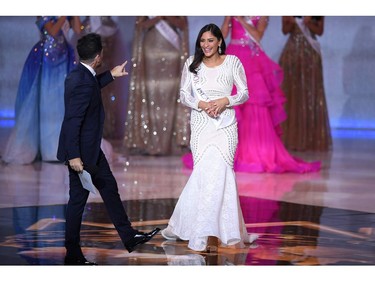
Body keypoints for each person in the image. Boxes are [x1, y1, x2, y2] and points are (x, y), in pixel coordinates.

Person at [57, 33, 160, 265]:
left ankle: (129, 236)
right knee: (77, 201)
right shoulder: (83, 82)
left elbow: (92, 85)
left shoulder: (81, 75)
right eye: (102, 54)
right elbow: (73, 120)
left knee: (109, 189)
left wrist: (110, 75)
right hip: (82, 155)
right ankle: (72, 253)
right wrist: (74, 156)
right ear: (97, 58)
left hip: (90, 150)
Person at [161, 23, 258, 252]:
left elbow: (244, 92)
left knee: (223, 172)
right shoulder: (192, 65)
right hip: (202, 124)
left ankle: (225, 231)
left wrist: (225, 101)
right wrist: (203, 104)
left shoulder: (232, 62)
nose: (206, 45)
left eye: (210, 41)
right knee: (203, 173)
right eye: (203, 41)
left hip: (225, 125)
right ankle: (196, 228)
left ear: (219, 42)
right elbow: (184, 95)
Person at [218, 16, 321, 173]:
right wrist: (227, 19)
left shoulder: (262, 13)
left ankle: (253, 151)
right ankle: (228, 151)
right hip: (233, 56)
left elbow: (258, 36)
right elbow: (222, 35)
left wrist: (241, 19)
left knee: (254, 103)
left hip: (251, 58)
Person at [2, 16, 81, 164]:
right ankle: (50, 150)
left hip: (65, 59)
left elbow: (77, 29)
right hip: (46, 59)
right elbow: (52, 31)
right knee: (48, 103)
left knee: (63, 103)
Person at [124, 16, 190, 156]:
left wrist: (166, 16)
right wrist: (158, 17)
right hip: (151, 50)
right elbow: (140, 25)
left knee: (170, 95)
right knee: (151, 94)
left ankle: (170, 142)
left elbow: (183, 24)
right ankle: (151, 142)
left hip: (172, 50)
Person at [278, 16, 332, 151]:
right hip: (292, 55)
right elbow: (285, 30)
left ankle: (311, 140)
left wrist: (308, 22)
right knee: (291, 95)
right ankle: (290, 139)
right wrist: (291, 22)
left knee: (310, 94)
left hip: (310, 56)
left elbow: (319, 31)